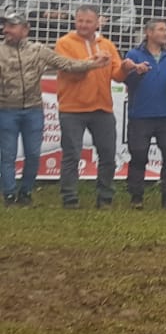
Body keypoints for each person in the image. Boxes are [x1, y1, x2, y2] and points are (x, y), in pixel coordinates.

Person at [0, 11, 108, 205]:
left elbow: (66, 64)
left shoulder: (38, 50)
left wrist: (91, 65)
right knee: (7, 154)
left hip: (33, 109)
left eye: (11, 26)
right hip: (6, 109)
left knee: (33, 154)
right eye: (5, 26)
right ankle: (8, 193)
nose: (6, 30)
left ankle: (25, 192)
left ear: (25, 30)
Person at [53, 3, 123, 209]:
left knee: (108, 154)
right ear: (75, 21)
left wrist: (129, 68)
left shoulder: (107, 44)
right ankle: (69, 197)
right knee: (71, 154)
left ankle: (105, 196)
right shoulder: (64, 43)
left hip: (102, 108)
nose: (83, 25)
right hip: (72, 109)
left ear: (97, 22)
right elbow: (70, 72)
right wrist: (93, 62)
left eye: (88, 21)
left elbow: (117, 74)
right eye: (80, 21)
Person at [116, 18, 166, 209]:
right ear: (149, 33)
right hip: (141, 114)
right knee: (139, 156)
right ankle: (136, 196)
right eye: (162, 30)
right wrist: (137, 72)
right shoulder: (134, 54)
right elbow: (128, 83)